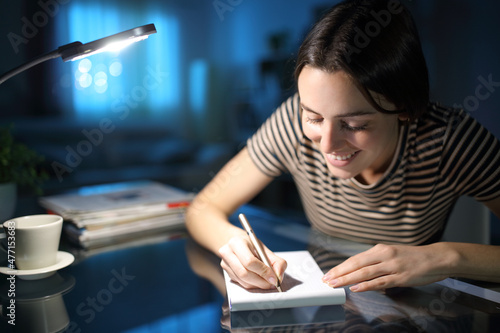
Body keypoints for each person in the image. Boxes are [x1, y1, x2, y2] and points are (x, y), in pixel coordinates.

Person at [185, 0, 500, 293]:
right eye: (314, 117)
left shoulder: (449, 139)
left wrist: (445, 257)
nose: (328, 144)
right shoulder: (291, 122)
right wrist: (236, 244)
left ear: (404, 108)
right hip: (324, 304)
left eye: (355, 125)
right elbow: (202, 209)